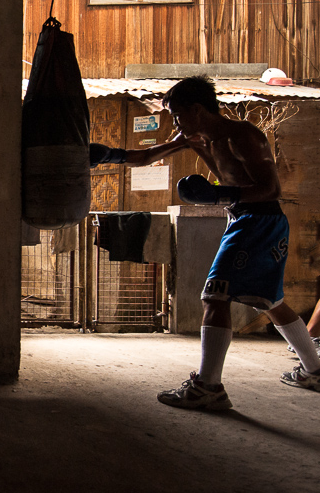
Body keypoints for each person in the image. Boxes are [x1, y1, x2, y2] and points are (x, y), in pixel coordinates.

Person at [90, 75, 320, 410]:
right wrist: (110, 155)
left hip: (259, 219)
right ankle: (314, 370)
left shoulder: (242, 137)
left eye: (179, 115)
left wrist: (217, 194)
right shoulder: (194, 135)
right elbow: (148, 156)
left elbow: (271, 190)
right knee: (268, 300)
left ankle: (207, 387)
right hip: (245, 218)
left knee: (215, 296)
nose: (177, 123)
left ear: (197, 109)